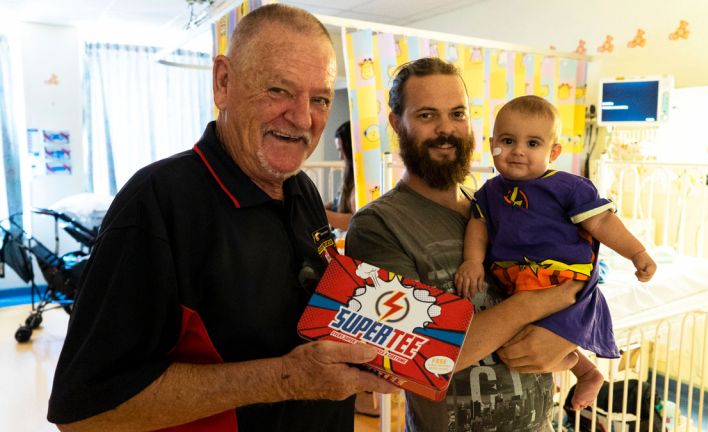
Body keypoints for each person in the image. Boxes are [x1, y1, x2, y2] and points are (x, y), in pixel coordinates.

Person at [47, 5, 396, 432]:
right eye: (278, 90)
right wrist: (286, 379)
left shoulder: (300, 189)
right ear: (223, 82)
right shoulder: (156, 203)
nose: (304, 118)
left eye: (320, 98)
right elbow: (84, 412)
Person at [345, 57, 585, 432]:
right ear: (397, 124)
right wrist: (535, 304)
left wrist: (566, 344)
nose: (447, 129)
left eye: (457, 114)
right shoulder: (379, 226)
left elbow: (560, 285)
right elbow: (424, 355)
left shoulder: (499, 207)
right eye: (426, 115)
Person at [455, 95, 657, 410]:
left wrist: (637, 253)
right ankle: (585, 370)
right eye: (507, 141)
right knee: (517, 339)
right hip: (515, 283)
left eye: (533, 143)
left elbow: (602, 221)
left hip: (561, 279)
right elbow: (478, 226)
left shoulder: (568, 188)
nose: (518, 150)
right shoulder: (489, 192)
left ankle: (584, 371)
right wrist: (472, 261)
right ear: (492, 143)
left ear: (554, 151)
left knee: (546, 333)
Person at [325, 121, 355, 230]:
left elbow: (353, 220)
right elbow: (337, 203)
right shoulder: (349, 175)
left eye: (341, 151)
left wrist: (318, 212)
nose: (340, 157)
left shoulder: (361, 179)